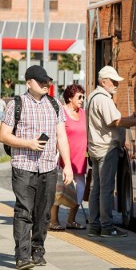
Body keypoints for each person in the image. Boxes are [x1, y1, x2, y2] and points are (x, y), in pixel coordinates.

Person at [0, 65, 73, 270]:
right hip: (23, 166)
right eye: (40, 82)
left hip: (48, 167)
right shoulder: (16, 104)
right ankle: (22, 255)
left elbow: (61, 137)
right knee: (24, 210)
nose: (45, 85)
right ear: (28, 82)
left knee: (43, 212)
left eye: (46, 81)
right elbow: (3, 136)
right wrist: (28, 143)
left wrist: (67, 165)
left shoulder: (55, 105)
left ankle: (37, 250)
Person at [87, 66, 136, 238]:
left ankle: (94, 226)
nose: (117, 84)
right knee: (106, 189)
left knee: (96, 188)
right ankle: (107, 227)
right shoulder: (103, 99)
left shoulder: (92, 96)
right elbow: (116, 121)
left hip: (96, 148)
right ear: (104, 82)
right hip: (106, 148)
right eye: (113, 81)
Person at [49, 84, 87, 231]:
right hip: (64, 158)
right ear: (70, 98)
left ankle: (71, 220)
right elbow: (56, 135)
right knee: (59, 190)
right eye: (79, 97)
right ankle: (53, 220)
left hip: (80, 159)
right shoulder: (61, 112)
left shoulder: (83, 113)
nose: (82, 100)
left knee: (80, 190)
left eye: (83, 97)